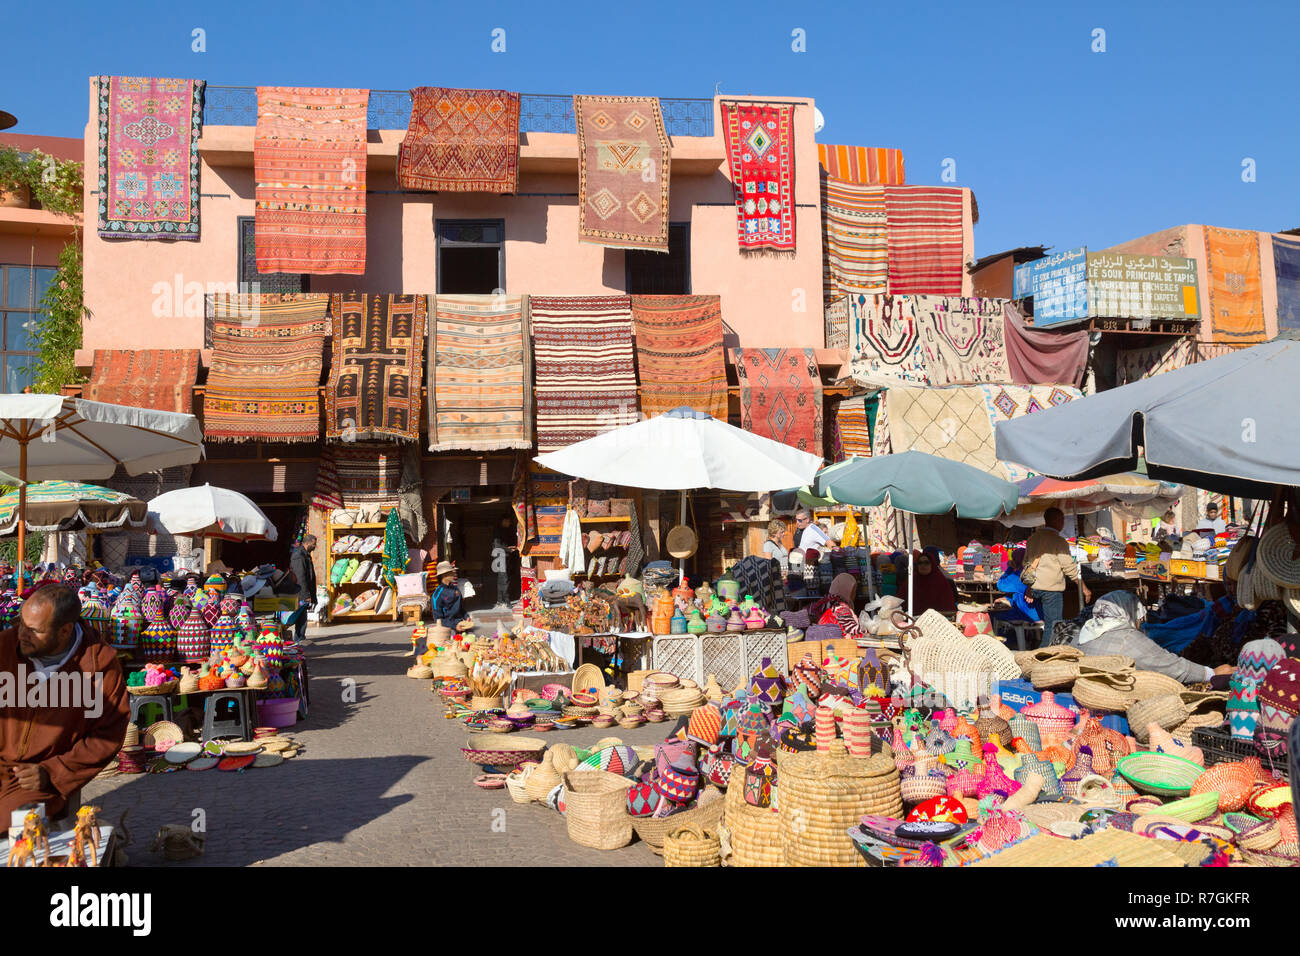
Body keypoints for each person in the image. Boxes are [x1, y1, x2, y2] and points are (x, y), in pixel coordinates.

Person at [1, 584, 129, 821]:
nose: (21, 635)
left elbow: (108, 734)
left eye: (33, 630)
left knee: (10, 824)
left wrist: (54, 771)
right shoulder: (5, 647)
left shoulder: (98, 664)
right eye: (21, 624)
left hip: (37, 779)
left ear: (64, 631)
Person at [1070, 590, 1234, 684]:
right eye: (1139, 618)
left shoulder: (1082, 633)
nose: (1141, 623)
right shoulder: (1129, 639)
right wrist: (1211, 673)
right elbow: (1172, 667)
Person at [1024, 506, 1092, 646]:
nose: (1063, 523)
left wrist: (1029, 588)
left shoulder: (1032, 539)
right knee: (1053, 625)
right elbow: (1070, 569)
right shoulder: (1058, 541)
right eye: (1062, 520)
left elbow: (1026, 564)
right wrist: (1084, 588)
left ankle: (1043, 651)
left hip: (1035, 586)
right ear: (1056, 520)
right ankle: (1044, 654)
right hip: (1051, 589)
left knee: (1048, 624)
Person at [808, 572, 862, 637]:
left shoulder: (823, 603)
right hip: (834, 644)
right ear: (847, 590)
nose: (855, 594)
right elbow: (853, 630)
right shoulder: (840, 607)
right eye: (853, 591)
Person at [910, 548, 958, 616]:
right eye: (920, 563)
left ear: (932, 564)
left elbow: (948, 605)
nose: (923, 565)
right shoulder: (912, 580)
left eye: (926, 563)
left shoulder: (941, 580)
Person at [288, 534, 317, 643]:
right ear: (307, 543)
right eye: (314, 544)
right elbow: (300, 577)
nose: (315, 546)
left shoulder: (305, 554)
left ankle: (300, 637)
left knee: (302, 615)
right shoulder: (299, 555)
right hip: (299, 591)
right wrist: (305, 595)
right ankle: (299, 638)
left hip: (303, 591)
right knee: (301, 615)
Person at [431, 560, 467, 630]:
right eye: (451, 572)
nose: (454, 574)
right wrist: (454, 626)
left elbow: (461, 608)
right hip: (448, 628)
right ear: (445, 575)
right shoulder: (437, 595)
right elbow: (438, 620)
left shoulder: (456, 589)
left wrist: (466, 617)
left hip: (461, 623)